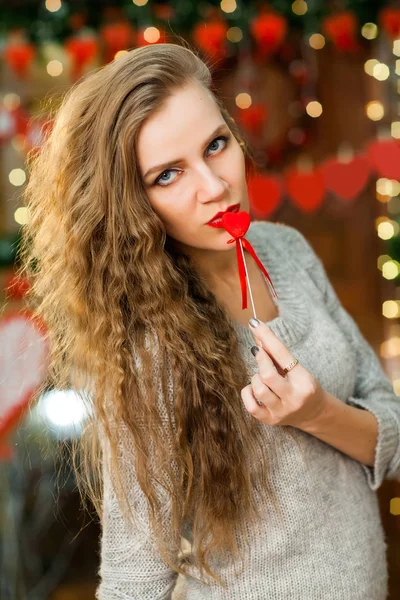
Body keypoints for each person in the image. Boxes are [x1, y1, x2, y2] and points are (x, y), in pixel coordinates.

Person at [20, 41, 400, 600]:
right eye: (168, 175)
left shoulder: (286, 251)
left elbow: (391, 431)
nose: (215, 186)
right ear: (131, 203)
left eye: (216, 145)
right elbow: (134, 578)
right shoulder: (149, 349)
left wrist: (317, 413)